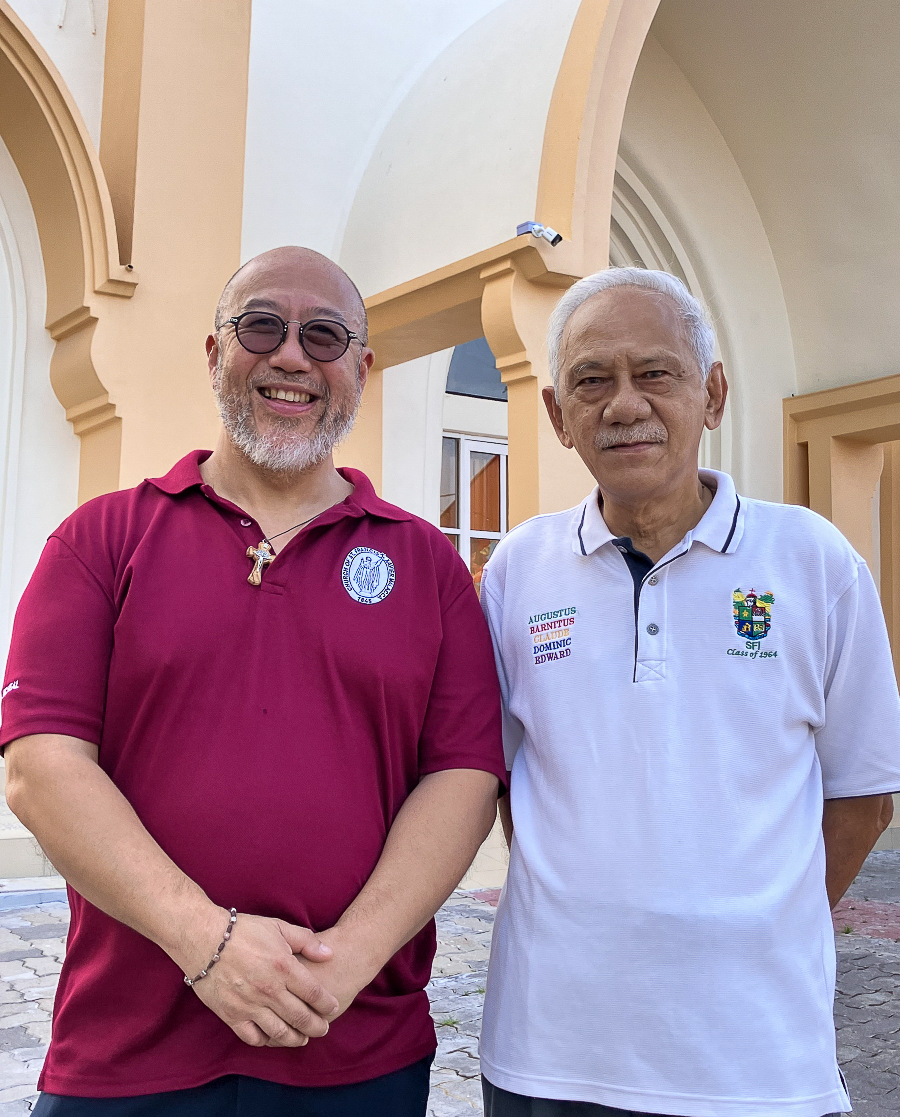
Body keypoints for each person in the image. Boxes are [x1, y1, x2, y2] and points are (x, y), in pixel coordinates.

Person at [1, 246, 506, 1115]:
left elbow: (462, 777)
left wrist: (344, 963)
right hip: (129, 1051)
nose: (291, 357)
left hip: (353, 1043)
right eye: (262, 326)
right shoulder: (102, 540)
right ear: (213, 353)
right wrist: (209, 945)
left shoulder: (426, 564)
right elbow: (40, 766)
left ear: (361, 368)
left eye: (324, 335)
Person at [478, 267, 900, 1117]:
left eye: (655, 373)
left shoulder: (813, 563)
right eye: (592, 381)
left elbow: (863, 798)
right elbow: (502, 781)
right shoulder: (517, 571)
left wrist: (756, 925)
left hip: (758, 1059)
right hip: (550, 1049)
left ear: (711, 395)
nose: (623, 405)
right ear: (559, 417)